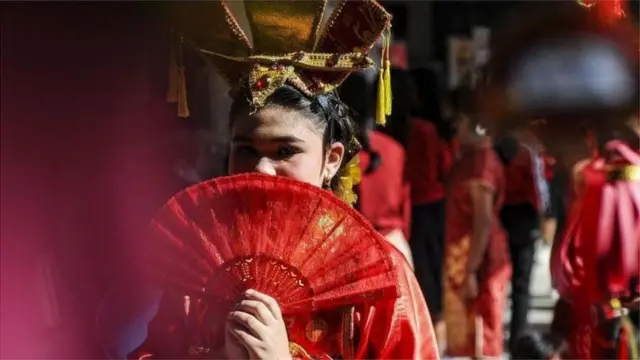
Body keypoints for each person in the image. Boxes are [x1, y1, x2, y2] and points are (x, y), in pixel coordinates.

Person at [121, 1, 439, 359]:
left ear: (331, 160)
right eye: (245, 149)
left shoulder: (383, 277)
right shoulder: (202, 266)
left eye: (285, 151)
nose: (261, 169)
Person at [442, 86, 511, 358]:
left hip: (480, 258)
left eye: (458, 119)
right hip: (465, 254)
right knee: (467, 337)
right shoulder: (470, 157)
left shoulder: (480, 162)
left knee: (481, 336)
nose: (454, 125)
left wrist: (472, 269)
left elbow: (483, 222)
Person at [339, 71, 413, 268]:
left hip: (355, 248)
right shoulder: (394, 147)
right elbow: (405, 205)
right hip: (396, 244)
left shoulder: (336, 153)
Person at [406, 67, 453, 347]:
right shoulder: (432, 131)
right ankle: (436, 341)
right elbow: (444, 168)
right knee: (433, 275)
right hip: (433, 206)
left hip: (412, 207)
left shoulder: (405, 129)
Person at [498, 128, 549, 354]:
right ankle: (517, 343)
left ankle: (492, 335)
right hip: (524, 218)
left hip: (498, 216)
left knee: (494, 280)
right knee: (522, 285)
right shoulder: (527, 151)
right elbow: (538, 188)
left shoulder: (494, 150)